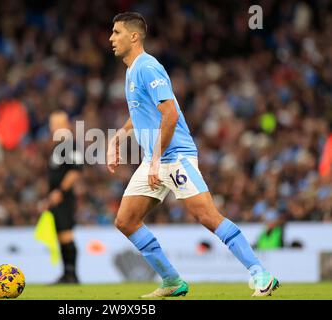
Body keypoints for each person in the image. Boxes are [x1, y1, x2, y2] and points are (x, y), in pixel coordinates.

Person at [107, 12, 279, 297]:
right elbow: (141, 111)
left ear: (134, 36)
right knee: (125, 220)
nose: (111, 38)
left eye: (116, 32)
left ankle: (260, 274)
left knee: (207, 216)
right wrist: (119, 135)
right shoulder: (131, 70)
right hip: (156, 158)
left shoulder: (147, 67)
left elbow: (170, 114)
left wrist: (156, 160)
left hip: (174, 155)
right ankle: (172, 282)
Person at [45, 110, 83, 284]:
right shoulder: (59, 146)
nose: (52, 128)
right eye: (52, 124)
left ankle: (72, 275)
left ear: (65, 125)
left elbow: (75, 171)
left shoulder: (70, 145)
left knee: (66, 234)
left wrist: (60, 191)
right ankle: (66, 273)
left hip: (64, 197)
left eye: (56, 124)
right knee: (61, 234)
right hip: (56, 197)